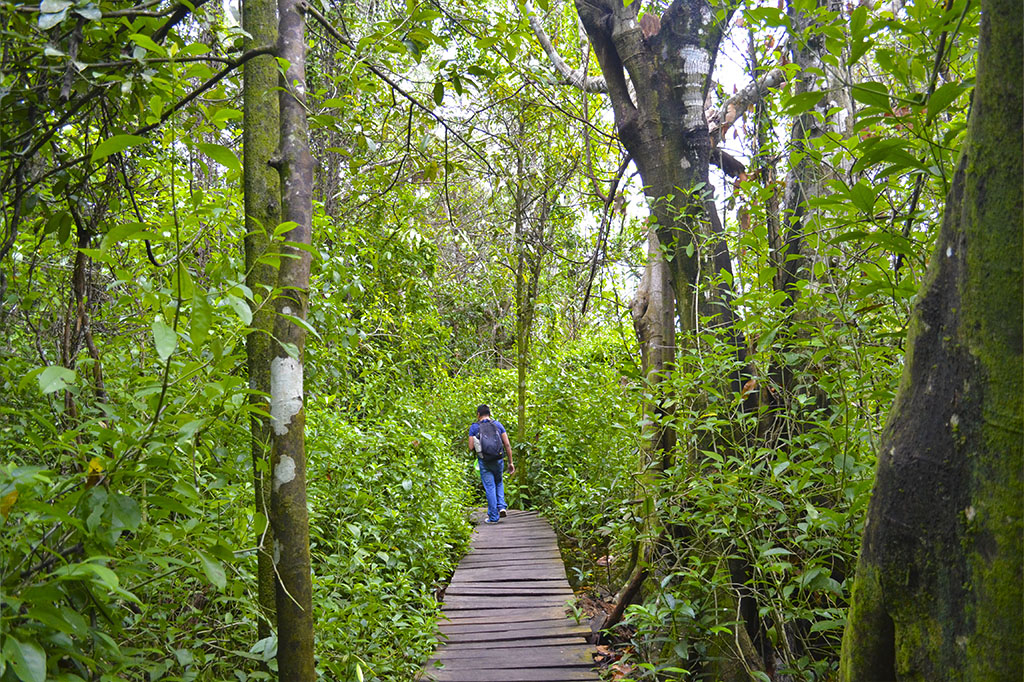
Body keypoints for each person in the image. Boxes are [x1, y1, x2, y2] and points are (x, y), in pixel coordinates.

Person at [468, 404, 515, 524]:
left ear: (478, 414)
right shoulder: (498, 425)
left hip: (484, 461)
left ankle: (493, 517)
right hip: (498, 460)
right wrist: (510, 462)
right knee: (499, 482)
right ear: (490, 414)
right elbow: (507, 445)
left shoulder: (474, 427)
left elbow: (470, 447)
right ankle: (502, 506)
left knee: (490, 487)